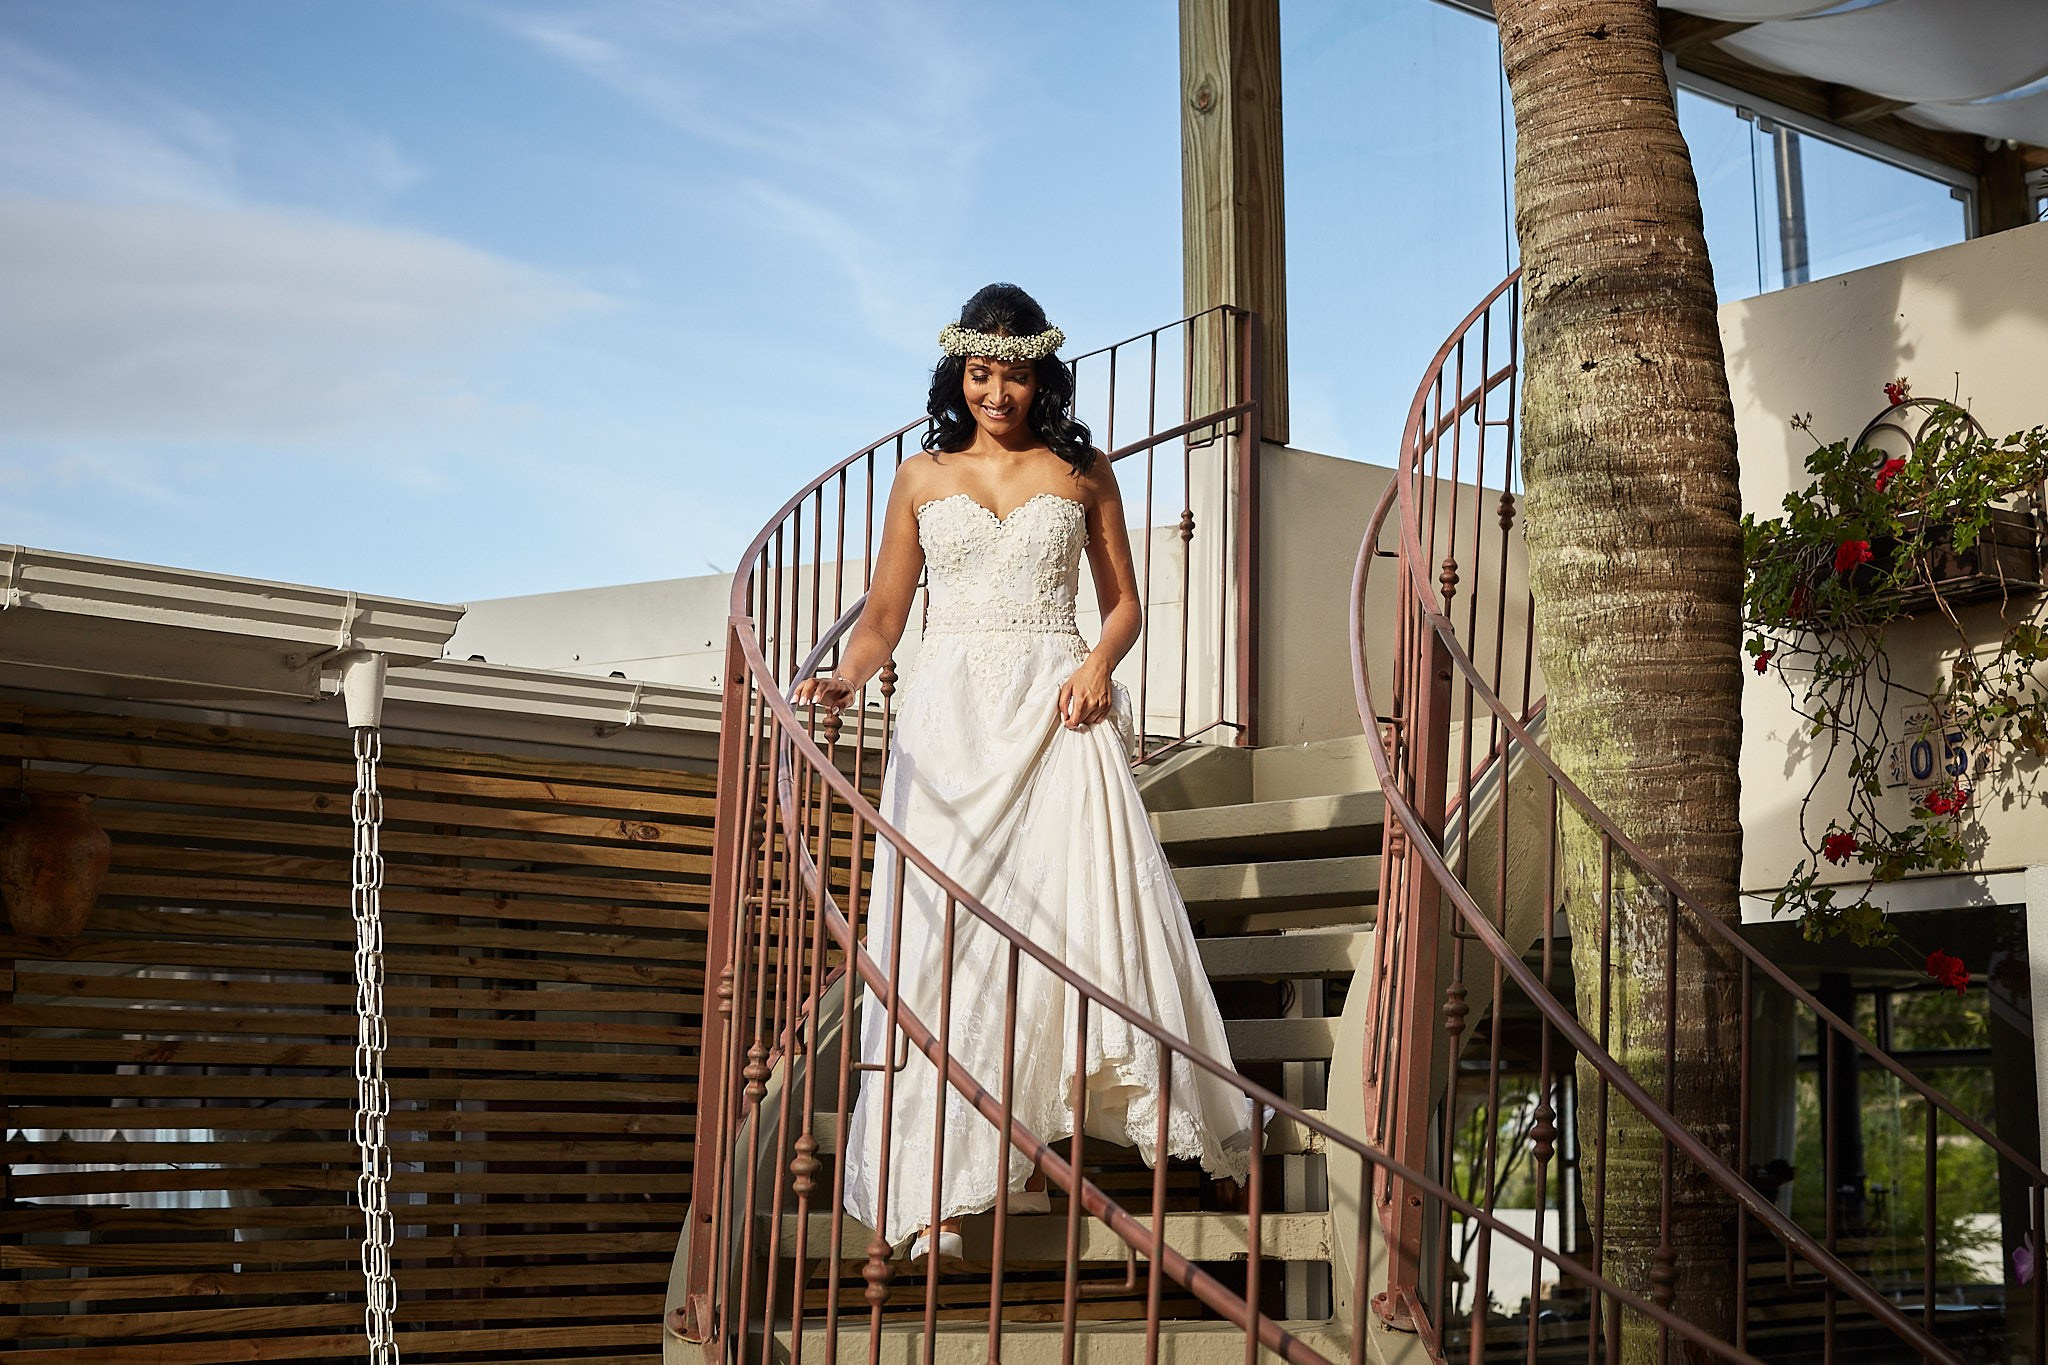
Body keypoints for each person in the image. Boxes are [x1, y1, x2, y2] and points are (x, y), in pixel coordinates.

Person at [792, 283, 1252, 1263]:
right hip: (948, 719)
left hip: (1056, 708)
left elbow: (1123, 603)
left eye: (1011, 375)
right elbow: (883, 616)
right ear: (958, 377)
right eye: (978, 374)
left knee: (1079, 920)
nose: (995, 392)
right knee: (940, 938)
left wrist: (1095, 666)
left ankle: (1152, 1123)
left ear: (1041, 378)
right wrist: (843, 679)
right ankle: (936, 1193)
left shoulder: (1081, 469)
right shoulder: (919, 478)